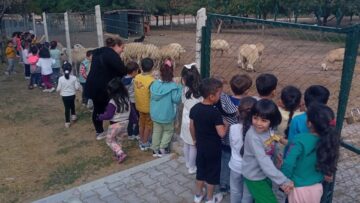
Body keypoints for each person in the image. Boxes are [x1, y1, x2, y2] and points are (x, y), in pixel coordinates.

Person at [281, 103, 340, 203]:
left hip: (298, 189)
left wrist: (284, 180)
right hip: (317, 188)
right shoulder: (329, 141)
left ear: (309, 123)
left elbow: (288, 164)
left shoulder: (300, 139)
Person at [242, 99, 294, 203]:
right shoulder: (253, 137)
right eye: (255, 118)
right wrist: (283, 181)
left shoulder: (269, 129)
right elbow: (264, 161)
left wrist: (276, 153)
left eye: (264, 120)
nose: (258, 123)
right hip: (255, 177)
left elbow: (271, 138)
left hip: (264, 174)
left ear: (272, 122)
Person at [190, 78, 227, 203]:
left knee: (201, 171)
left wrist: (194, 140)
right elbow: (221, 134)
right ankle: (210, 198)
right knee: (212, 174)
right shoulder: (215, 113)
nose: (220, 96)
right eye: (219, 94)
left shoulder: (195, 108)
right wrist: (226, 124)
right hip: (213, 149)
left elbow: (191, 127)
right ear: (211, 96)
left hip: (200, 146)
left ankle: (198, 195)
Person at [85, 37, 127, 140]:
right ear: (116, 45)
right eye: (122, 47)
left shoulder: (99, 52)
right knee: (112, 108)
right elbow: (122, 70)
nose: (122, 50)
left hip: (93, 85)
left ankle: (99, 131)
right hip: (103, 88)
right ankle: (113, 132)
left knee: (98, 108)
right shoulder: (111, 55)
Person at [150, 61, 182, 157]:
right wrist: (180, 88)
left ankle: (154, 149)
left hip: (155, 114)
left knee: (156, 131)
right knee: (168, 131)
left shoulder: (154, 84)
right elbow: (176, 100)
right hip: (167, 114)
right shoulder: (172, 86)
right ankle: (162, 148)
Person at [228, 97, 257, 203]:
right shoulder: (259, 132)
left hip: (235, 166)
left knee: (235, 191)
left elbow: (232, 145)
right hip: (252, 169)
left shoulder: (233, 128)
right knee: (248, 194)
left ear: (238, 111)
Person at [97, 78, 130, 163]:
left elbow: (109, 115)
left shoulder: (113, 102)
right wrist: (134, 120)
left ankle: (120, 153)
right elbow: (132, 111)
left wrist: (100, 117)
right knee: (119, 139)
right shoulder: (126, 99)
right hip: (126, 123)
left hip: (116, 124)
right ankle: (117, 154)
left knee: (109, 140)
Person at [179, 63, 202, 174]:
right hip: (194, 123)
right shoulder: (200, 93)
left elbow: (183, 102)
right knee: (193, 145)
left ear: (184, 79)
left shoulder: (184, 90)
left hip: (185, 120)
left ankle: (188, 163)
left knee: (186, 143)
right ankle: (192, 167)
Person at [134, 58, 155, 150]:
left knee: (141, 123)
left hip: (139, 106)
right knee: (148, 125)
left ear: (141, 67)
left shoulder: (137, 77)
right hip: (148, 108)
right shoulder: (152, 80)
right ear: (152, 68)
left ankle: (141, 139)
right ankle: (145, 142)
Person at [56, 62, 80, 128]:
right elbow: (77, 88)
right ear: (71, 70)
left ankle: (67, 122)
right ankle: (73, 117)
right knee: (72, 105)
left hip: (64, 96)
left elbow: (58, 89)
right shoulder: (74, 78)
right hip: (72, 95)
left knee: (67, 108)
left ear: (62, 70)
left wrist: (57, 90)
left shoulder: (60, 79)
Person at [121, 61, 140, 140]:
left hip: (127, 101)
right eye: (137, 71)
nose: (138, 72)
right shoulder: (132, 81)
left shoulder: (123, 79)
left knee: (130, 118)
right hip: (133, 101)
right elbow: (138, 87)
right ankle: (136, 133)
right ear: (133, 72)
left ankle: (130, 134)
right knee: (137, 117)